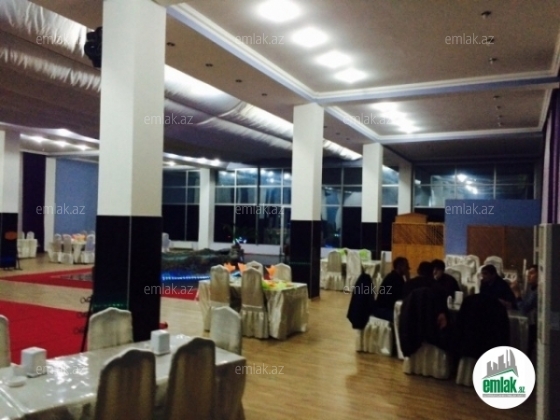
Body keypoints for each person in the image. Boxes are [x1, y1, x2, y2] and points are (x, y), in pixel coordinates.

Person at [512, 264, 538, 357]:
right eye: (528, 274)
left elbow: (524, 309)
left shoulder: (537, 292)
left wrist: (517, 293)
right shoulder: (532, 289)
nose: (529, 276)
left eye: (532, 273)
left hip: (535, 326)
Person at [374, 256, 409, 321]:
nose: (408, 269)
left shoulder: (396, 277)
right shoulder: (394, 279)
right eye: (406, 266)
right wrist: (408, 279)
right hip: (384, 310)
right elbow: (404, 294)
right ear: (399, 266)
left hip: (385, 308)